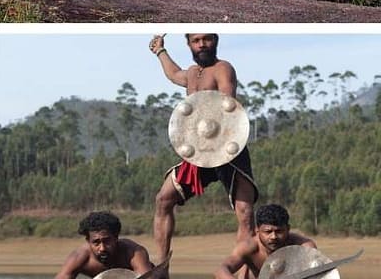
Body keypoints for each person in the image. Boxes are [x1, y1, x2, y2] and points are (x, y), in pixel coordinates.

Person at [148, 33, 259, 266]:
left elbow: (227, 102)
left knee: (245, 214)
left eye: (207, 39)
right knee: (163, 200)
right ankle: (160, 267)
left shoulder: (222, 68)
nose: (202, 45)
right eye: (196, 41)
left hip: (228, 149)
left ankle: (244, 272)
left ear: (216, 40)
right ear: (188, 44)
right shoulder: (191, 73)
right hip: (200, 151)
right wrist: (160, 51)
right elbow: (174, 74)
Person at [214, 204, 317, 279]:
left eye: (279, 231)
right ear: (257, 230)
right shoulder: (248, 248)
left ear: (288, 229)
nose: (273, 237)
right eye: (268, 232)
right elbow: (221, 269)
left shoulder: (304, 247)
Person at [54, 211, 156, 279]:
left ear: (116, 238)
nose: (102, 248)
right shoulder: (79, 258)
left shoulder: (133, 252)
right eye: (96, 242)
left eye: (107, 241)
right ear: (88, 241)